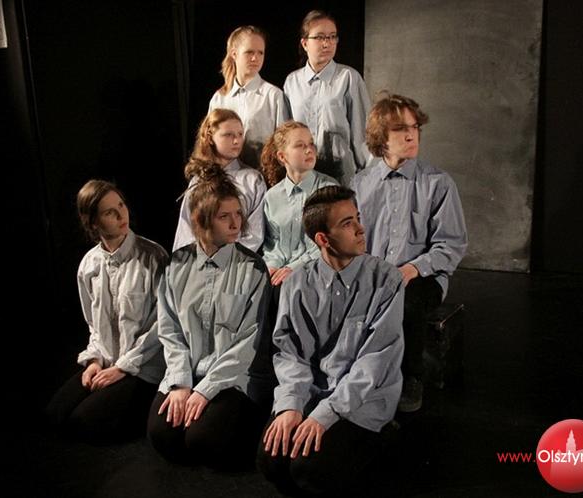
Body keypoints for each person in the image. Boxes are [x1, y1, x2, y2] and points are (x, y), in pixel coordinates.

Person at [257, 185, 405, 496]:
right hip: (313, 390)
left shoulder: (387, 280)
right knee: (271, 463)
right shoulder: (297, 283)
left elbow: (374, 363)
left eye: (358, 218)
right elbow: (290, 353)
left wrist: (325, 416)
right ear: (323, 239)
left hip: (362, 399)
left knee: (309, 471)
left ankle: (383, 438)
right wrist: (291, 406)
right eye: (348, 223)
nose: (361, 228)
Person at [148, 166, 270, 471]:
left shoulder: (253, 269)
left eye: (238, 214)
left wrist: (205, 390)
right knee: (162, 437)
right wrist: (180, 383)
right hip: (188, 372)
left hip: (231, 379)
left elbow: (247, 342)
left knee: (203, 441)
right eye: (224, 216)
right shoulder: (176, 265)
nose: (235, 223)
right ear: (201, 220)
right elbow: (170, 331)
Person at [351, 94, 468, 412]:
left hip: (422, 276)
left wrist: (412, 269)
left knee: (406, 302)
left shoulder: (438, 183)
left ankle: (410, 377)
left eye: (415, 127)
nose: (411, 135)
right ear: (381, 137)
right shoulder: (360, 184)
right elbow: (353, 239)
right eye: (401, 129)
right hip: (375, 272)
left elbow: (451, 244)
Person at [45, 180, 168, 442]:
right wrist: (94, 361)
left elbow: (161, 326)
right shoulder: (89, 265)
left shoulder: (152, 257)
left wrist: (123, 367)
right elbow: (94, 326)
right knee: (55, 415)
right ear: (93, 223)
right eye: (109, 212)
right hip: (108, 362)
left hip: (142, 367)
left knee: (83, 422)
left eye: (121, 206)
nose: (121, 215)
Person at [283, 10, 371, 187]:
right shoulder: (292, 81)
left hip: (341, 173)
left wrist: (368, 174)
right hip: (303, 172)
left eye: (332, 37)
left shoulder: (348, 77)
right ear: (305, 43)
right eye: (320, 37)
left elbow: (362, 132)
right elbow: (285, 132)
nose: (327, 43)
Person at [173, 108, 267, 253]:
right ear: (210, 138)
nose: (236, 141)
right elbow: (186, 230)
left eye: (240, 134)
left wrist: (224, 257)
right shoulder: (199, 180)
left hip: (238, 259)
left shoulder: (253, 180)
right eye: (228, 135)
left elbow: (254, 233)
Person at [261, 121, 338, 286]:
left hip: (318, 276)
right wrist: (271, 266)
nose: (309, 150)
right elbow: (273, 245)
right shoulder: (272, 197)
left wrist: (294, 267)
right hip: (282, 277)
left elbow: (331, 242)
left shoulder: (329, 190)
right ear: (282, 157)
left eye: (311, 144)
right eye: (300, 145)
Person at [208, 25, 290, 169]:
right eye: (249, 52)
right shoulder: (219, 98)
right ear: (234, 54)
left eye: (260, 53)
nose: (255, 58)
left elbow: (284, 145)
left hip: (263, 175)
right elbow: (209, 143)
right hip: (226, 176)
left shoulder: (273, 96)